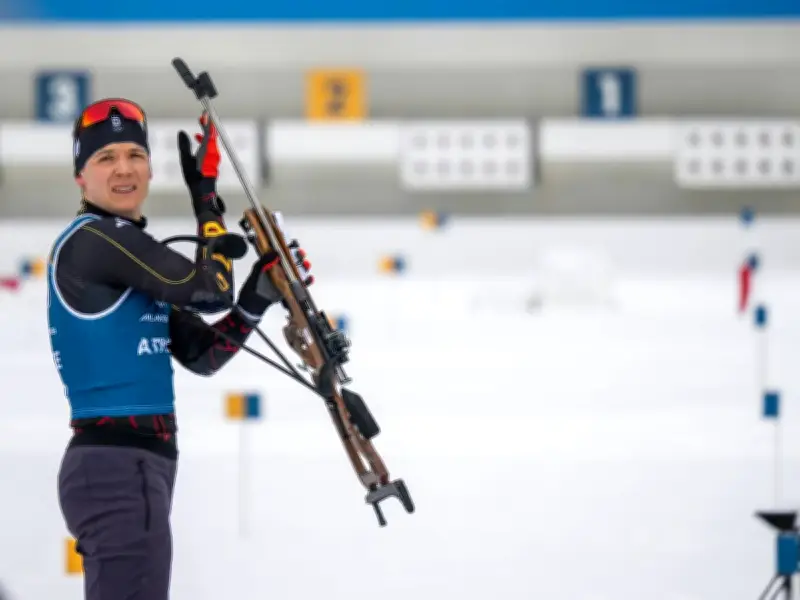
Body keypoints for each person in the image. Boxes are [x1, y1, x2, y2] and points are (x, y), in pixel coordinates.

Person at [48, 98, 311, 600]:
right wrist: (207, 200)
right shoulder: (100, 241)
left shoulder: (125, 254)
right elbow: (210, 288)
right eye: (105, 159)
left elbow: (201, 354)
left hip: (130, 467)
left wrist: (257, 297)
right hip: (118, 468)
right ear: (81, 176)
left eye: (134, 155)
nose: (123, 168)